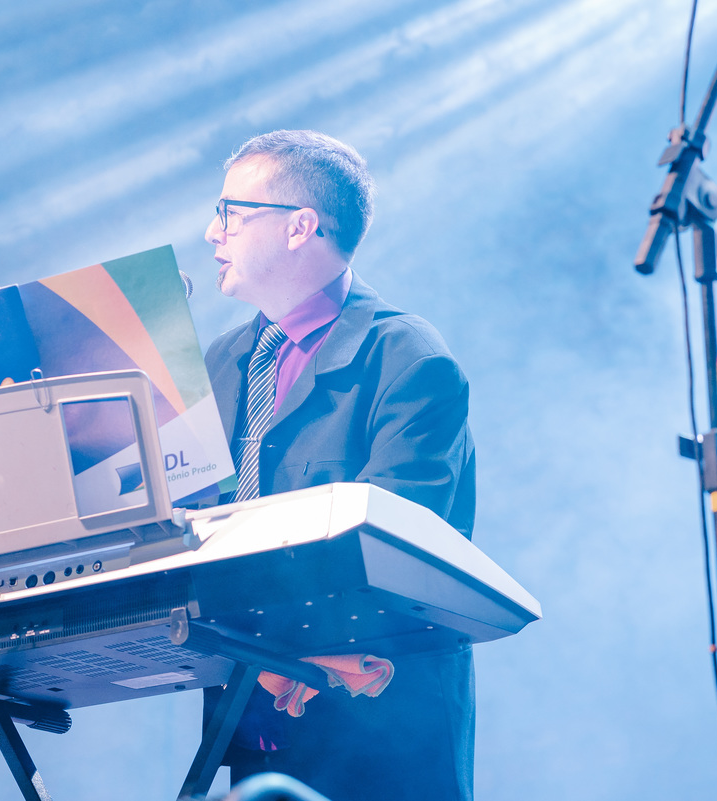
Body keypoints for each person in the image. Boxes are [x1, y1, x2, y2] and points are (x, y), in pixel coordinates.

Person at [201, 130, 477, 801]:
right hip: (252, 704)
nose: (212, 233)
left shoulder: (408, 359)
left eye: (231, 213)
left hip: (380, 716)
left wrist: (284, 644)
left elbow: (391, 547)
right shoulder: (220, 363)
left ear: (300, 226)